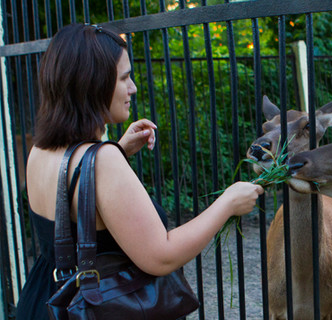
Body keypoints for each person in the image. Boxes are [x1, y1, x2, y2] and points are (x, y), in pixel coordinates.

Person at [16, 23, 264, 319]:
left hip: (46, 298)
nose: (133, 87)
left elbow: (69, 193)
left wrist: (119, 150)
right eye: (124, 78)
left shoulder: (40, 151)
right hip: (97, 307)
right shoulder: (103, 160)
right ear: (92, 84)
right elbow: (160, 257)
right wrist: (228, 203)